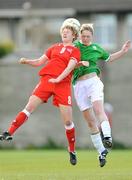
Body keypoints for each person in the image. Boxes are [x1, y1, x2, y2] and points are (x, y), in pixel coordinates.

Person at [0, 18, 86, 166]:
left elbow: (70, 67)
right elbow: (40, 62)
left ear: (74, 35)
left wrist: (59, 78)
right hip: (46, 81)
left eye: (69, 31)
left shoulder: (75, 51)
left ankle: (71, 150)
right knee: (29, 108)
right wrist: (27, 61)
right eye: (63, 31)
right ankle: (9, 132)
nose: (65, 32)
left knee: (68, 121)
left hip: (62, 84)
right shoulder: (54, 47)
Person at [73, 23, 131, 167]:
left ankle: (107, 137)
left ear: (92, 36)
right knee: (90, 122)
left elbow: (109, 58)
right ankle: (101, 152)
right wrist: (80, 64)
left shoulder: (96, 48)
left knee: (99, 111)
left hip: (93, 81)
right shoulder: (74, 47)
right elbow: (67, 64)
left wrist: (123, 51)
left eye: (88, 36)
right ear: (79, 36)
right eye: (83, 36)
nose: (85, 38)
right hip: (79, 86)